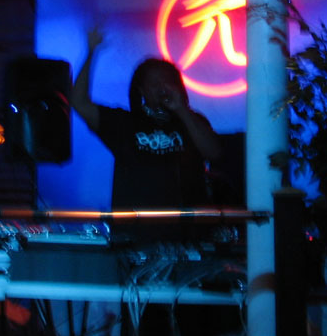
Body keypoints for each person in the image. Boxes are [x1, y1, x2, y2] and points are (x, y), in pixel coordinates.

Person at [71, 29, 222, 211]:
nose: (161, 87)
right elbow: (79, 103)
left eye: (167, 81)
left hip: (186, 225)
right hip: (137, 225)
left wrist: (182, 110)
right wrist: (91, 52)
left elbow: (213, 153)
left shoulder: (192, 120)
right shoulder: (124, 122)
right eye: (154, 83)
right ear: (141, 90)